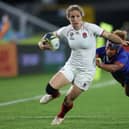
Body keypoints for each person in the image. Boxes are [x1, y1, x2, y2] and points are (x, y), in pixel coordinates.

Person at [38, 5, 129, 125]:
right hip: (72, 66)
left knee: (68, 99)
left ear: (81, 16)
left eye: (77, 16)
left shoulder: (91, 28)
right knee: (49, 89)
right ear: (68, 18)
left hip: (87, 71)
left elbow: (108, 35)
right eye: (72, 17)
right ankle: (54, 95)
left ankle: (60, 116)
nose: (75, 19)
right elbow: (50, 35)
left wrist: (121, 41)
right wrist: (41, 44)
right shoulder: (66, 30)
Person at [96, 30, 129, 96]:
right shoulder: (103, 49)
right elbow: (90, 55)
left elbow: (115, 67)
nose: (108, 51)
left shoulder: (123, 54)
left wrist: (100, 65)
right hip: (120, 77)